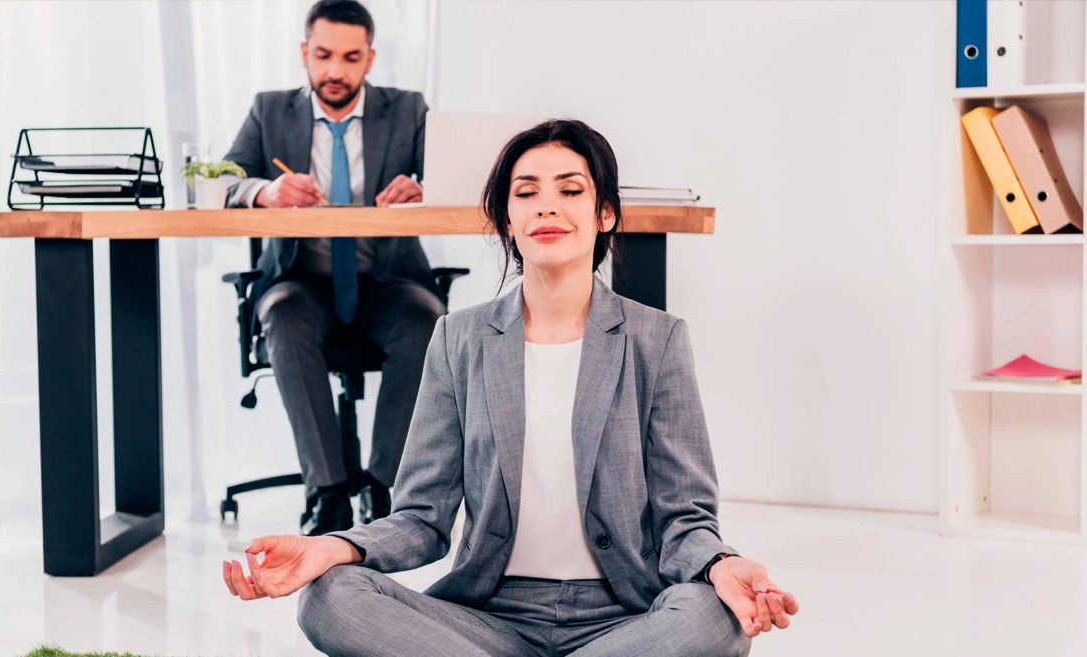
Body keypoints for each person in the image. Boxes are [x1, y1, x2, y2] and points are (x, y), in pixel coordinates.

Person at [223, 119, 799, 656]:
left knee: (715, 613)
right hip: (488, 619)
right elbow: (422, 518)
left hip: (624, 615)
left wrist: (721, 562)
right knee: (329, 596)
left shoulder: (658, 339)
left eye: (571, 190)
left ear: (604, 215)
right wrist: (332, 547)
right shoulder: (458, 338)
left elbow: (685, 517)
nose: (547, 204)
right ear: (505, 219)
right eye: (525, 192)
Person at [222, 0, 444, 535]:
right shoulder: (270, 110)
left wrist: (424, 188)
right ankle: (327, 493)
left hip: (388, 279)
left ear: (370, 58)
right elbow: (226, 183)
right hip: (301, 280)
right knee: (282, 312)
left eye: (350, 57)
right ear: (305, 53)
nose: (335, 71)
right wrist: (265, 190)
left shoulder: (408, 109)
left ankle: (383, 487)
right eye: (323, 56)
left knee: (426, 319)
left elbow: (462, 179)